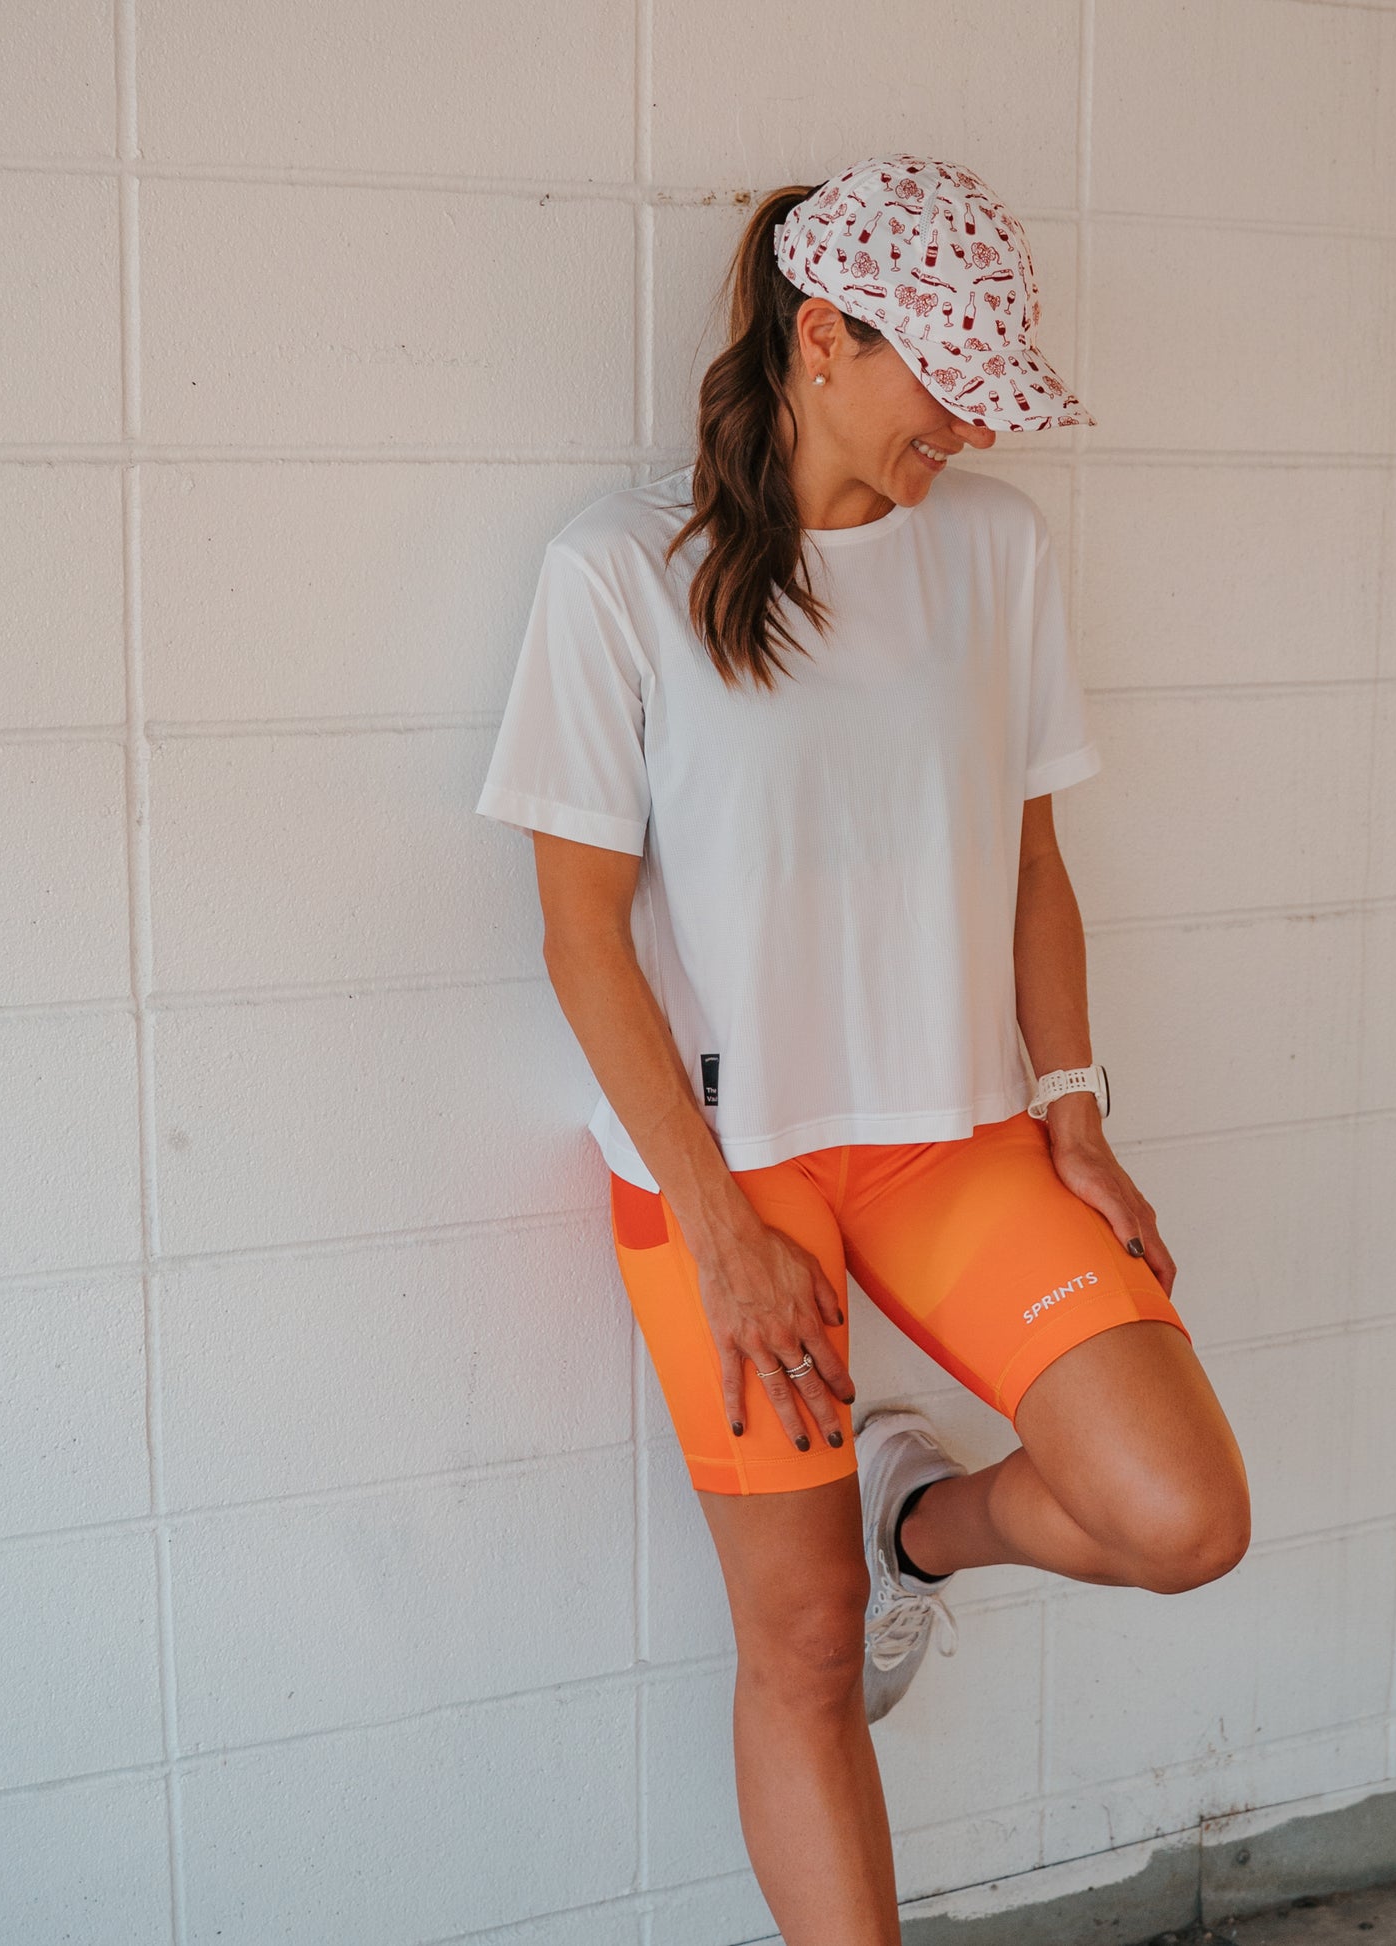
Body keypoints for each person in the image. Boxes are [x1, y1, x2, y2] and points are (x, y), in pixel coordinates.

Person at [476, 153, 1250, 1946]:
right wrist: (716, 1225)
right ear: (820, 338)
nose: (964, 427)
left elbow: (1036, 862)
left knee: (1181, 1513)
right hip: (725, 1169)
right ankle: (864, 1579)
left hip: (951, 1138)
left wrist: (1073, 1109)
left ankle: (920, 1527)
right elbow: (582, 934)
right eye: (942, 380)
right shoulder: (620, 570)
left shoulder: (994, 549)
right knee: (806, 1638)